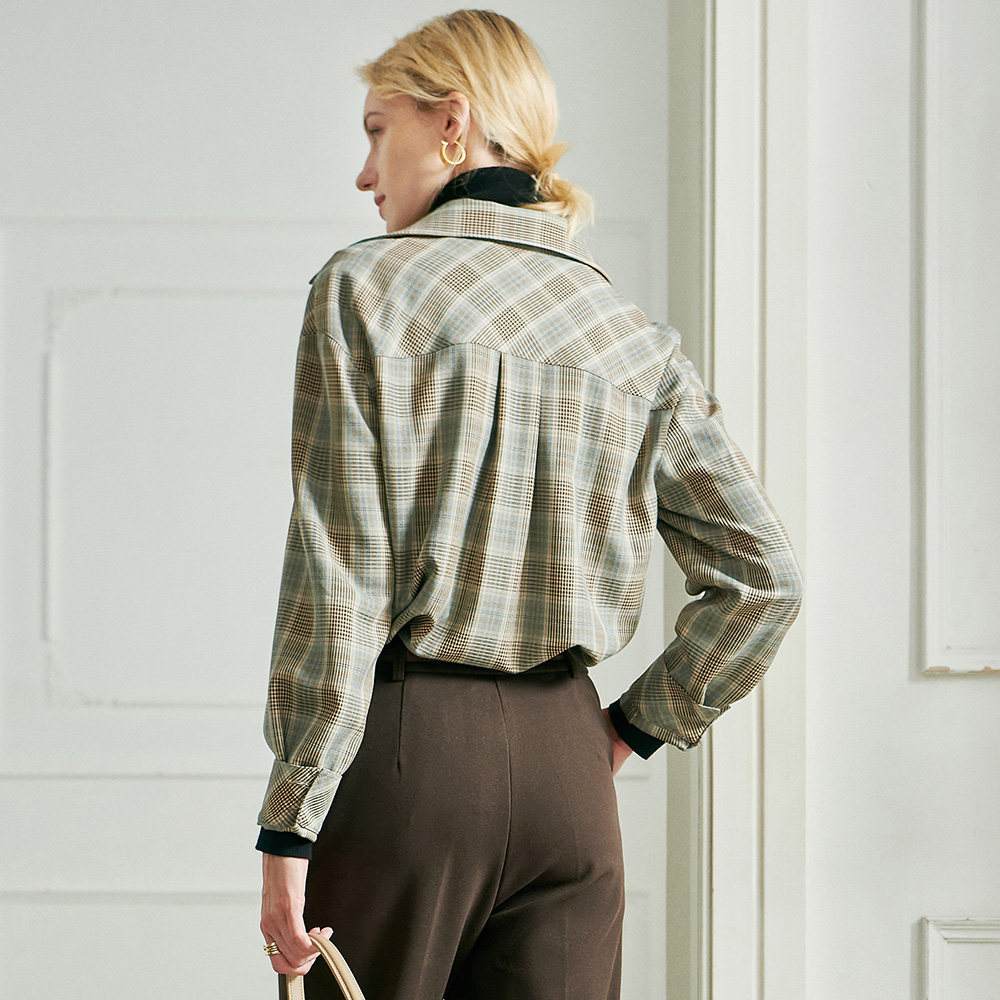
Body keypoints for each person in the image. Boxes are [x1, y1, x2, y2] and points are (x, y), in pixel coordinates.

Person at [255, 9, 804, 1000]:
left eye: (378, 129)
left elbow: (341, 578)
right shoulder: (628, 333)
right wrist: (627, 730)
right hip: (570, 777)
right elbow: (765, 579)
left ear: (451, 121)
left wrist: (289, 824)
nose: (365, 172)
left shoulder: (366, 289)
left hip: (408, 759)